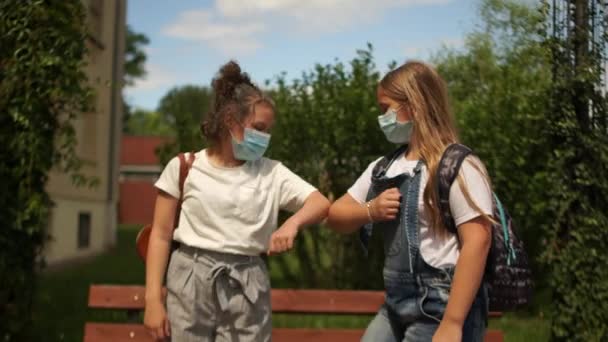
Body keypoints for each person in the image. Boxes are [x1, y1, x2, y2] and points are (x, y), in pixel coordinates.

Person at [143, 61, 330, 341]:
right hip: (189, 279)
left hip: (248, 284)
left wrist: (291, 224)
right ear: (231, 121)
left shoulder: (271, 172)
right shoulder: (184, 167)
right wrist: (153, 301)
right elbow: (160, 236)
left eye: (268, 131)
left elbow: (319, 202)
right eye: (258, 128)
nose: (265, 138)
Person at [327, 61, 493, 342]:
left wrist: (453, 323)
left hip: (441, 306)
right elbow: (336, 215)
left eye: (385, 108)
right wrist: (370, 210)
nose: (382, 118)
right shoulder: (383, 168)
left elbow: (478, 241)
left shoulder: (458, 165)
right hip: (395, 303)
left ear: (414, 105)